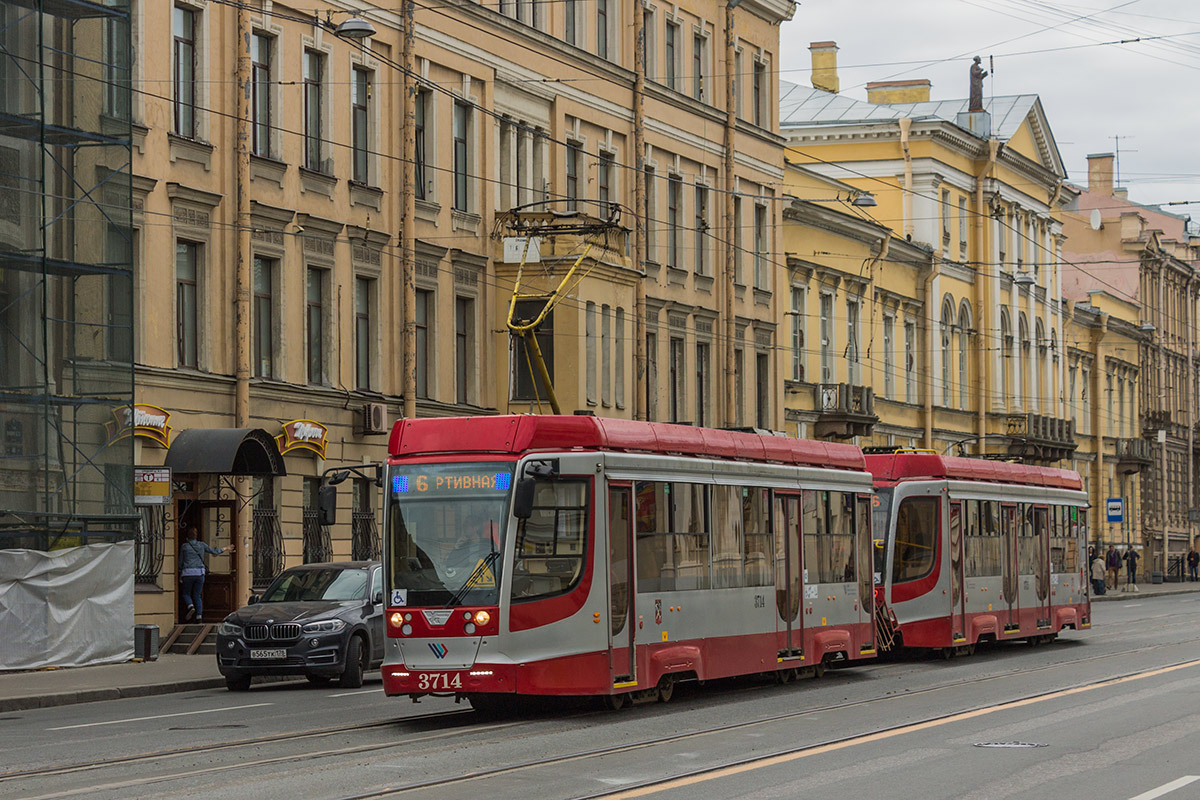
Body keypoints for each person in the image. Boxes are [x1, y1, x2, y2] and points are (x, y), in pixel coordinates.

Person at [179, 527, 231, 622]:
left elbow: (180, 562)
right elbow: (214, 551)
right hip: (200, 573)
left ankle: (190, 606)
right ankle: (199, 617)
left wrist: (180, 572)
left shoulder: (184, 546)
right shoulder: (201, 545)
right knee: (197, 595)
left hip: (188, 573)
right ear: (196, 536)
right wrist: (226, 548)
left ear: (187, 537)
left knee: (186, 593)